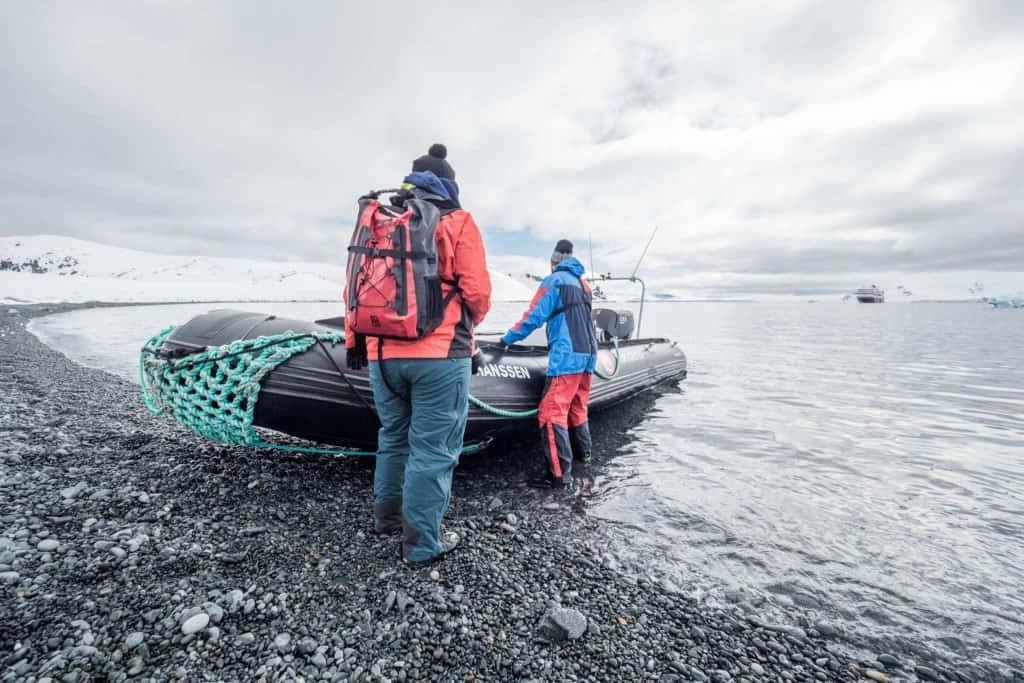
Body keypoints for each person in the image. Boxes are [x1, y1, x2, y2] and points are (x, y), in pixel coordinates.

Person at [345, 144, 492, 564]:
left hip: (381, 354)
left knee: (393, 437)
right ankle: (423, 544)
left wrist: (356, 342)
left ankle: (387, 519)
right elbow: (477, 292)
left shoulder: (379, 219)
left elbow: (353, 286)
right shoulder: (457, 221)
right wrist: (467, 326)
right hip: (439, 355)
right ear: (448, 184)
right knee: (433, 449)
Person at [500, 240, 598, 487]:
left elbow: (533, 317)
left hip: (567, 357)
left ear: (555, 260)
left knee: (552, 412)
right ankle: (584, 456)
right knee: (577, 407)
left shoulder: (554, 281)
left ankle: (559, 476)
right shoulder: (584, 285)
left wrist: (507, 339)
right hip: (588, 355)